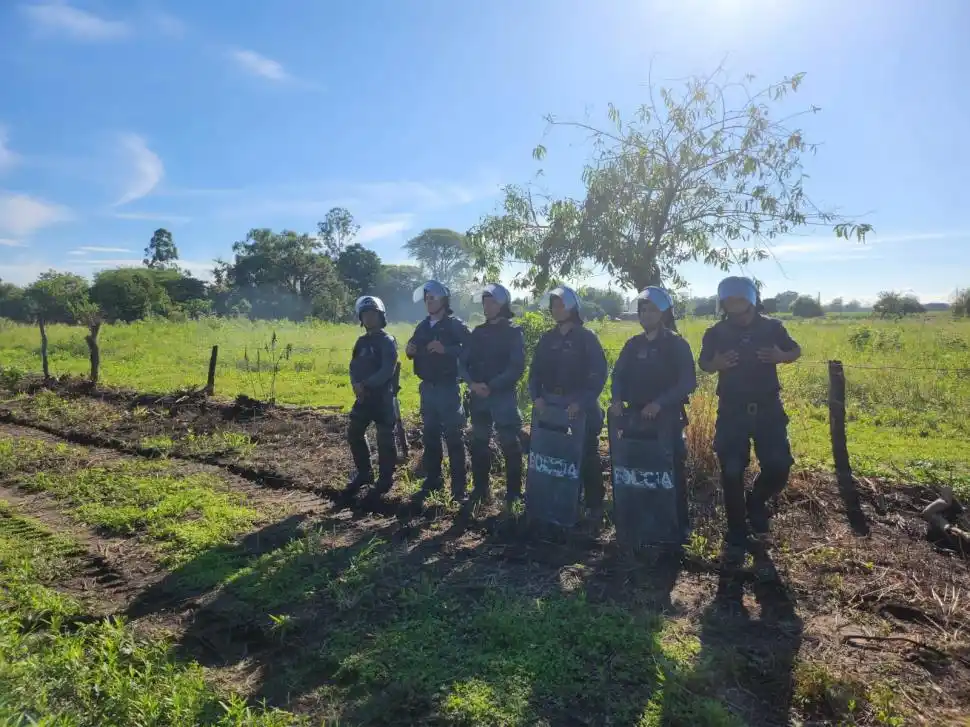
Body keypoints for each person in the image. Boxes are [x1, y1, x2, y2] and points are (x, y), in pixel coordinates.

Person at [698, 276, 802, 545]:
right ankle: (736, 529)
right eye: (729, 300)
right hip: (732, 409)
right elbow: (704, 363)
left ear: (751, 299)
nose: (734, 304)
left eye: (739, 299)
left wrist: (782, 356)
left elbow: (795, 350)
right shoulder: (716, 332)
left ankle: (755, 501)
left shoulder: (772, 328)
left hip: (768, 407)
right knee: (731, 469)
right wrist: (716, 363)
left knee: (779, 466)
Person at [609, 286, 697, 538]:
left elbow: (687, 381)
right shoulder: (632, 345)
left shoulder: (677, 344)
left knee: (672, 471)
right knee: (637, 470)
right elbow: (619, 375)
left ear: (664, 313)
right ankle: (639, 521)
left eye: (651, 310)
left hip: (667, 418)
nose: (646, 314)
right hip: (635, 419)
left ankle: (680, 527)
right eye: (642, 309)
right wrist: (616, 398)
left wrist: (660, 403)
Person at [528, 286, 608, 523]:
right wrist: (536, 396)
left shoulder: (587, 338)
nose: (556, 309)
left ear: (572, 308)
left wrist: (581, 402)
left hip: (579, 407)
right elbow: (535, 373)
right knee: (553, 455)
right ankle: (555, 502)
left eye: (561, 305)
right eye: (553, 305)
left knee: (587, 455)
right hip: (550, 405)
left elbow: (598, 374)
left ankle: (594, 506)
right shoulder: (547, 338)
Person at [460, 283, 526, 508]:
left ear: (502, 305)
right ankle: (480, 491)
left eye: (492, 302)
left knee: (510, 444)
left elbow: (516, 366)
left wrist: (492, 385)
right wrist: (471, 383)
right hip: (479, 398)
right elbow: (463, 362)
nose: (487, 306)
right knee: (479, 443)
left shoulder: (513, 332)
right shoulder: (477, 332)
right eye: (485, 302)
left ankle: (514, 494)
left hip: (503, 397)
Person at [406, 280, 471, 500]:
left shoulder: (455, 325)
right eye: (426, 299)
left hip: (448, 388)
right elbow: (412, 347)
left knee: (454, 437)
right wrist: (410, 350)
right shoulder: (423, 326)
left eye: (432, 298)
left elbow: (470, 349)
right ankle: (433, 480)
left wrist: (447, 349)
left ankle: (459, 488)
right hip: (427, 388)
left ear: (443, 300)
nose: (428, 302)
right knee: (430, 436)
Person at [347, 295, 398, 496]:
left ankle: (386, 479)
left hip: (382, 399)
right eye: (365, 314)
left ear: (381, 316)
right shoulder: (360, 342)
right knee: (354, 433)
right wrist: (355, 385)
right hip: (363, 398)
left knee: (385, 438)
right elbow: (353, 366)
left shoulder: (388, 341)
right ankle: (365, 473)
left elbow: (388, 370)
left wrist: (366, 384)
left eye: (373, 314)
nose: (369, 318)